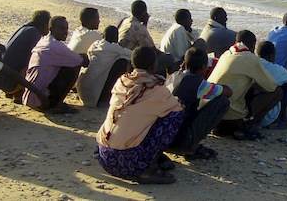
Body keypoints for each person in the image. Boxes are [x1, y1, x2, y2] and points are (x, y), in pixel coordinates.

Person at [96, 47, 184, 184]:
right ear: (153, 66)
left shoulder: (121, 82)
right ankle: (147, 169)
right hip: (127, 162)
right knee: (175, 116)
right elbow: (177, 107)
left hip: (104, 155)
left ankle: (151, 158)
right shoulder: (156, 89)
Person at [208, 30, 281, 140]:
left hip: (212, 112)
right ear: (253, 44)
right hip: (230, 115)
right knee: (277, 92)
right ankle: (251, 124)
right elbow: (271, 86)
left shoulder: (227, 54)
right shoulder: (250, 58)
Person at [165, 47, 231, 160]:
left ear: (184, 63)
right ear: (203, 68)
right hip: (179, 138)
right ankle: (190, 146)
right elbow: (228, 92)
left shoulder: (173, 76)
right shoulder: (197, 83)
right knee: (222, 101)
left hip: (164, 137)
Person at [23, 16, 88, 114]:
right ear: (51, 29)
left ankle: (54, 101)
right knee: (74, 66)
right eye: (61, 28)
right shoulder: (55, 46)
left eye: (66, 28)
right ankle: (56, 104)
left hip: (29, 97)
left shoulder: (43, 40)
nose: (65, 32)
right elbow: (81, 61)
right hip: (40, 100)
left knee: (69, 61)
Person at [2, 10, 51, 103]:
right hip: (10, 83)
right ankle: (19, 94)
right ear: (45, 24)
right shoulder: (34, 33)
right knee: (39, 64)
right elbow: (37, 58)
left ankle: (15, 92)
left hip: (2, 79)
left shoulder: (24, 28)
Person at [76, 26, 131, 107]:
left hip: (82, 90)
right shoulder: (114, 48)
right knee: (123, 62)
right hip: (93, 95)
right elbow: (133, 55)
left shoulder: (95, 44)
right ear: (116, 38)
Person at [118, 0, 176, 75]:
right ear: (144, 13)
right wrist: (165, 54)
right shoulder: (139, 28)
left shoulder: (125, 20)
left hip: (122, 55)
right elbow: (153, 49)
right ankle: (170, 82)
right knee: (169, 58)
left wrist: (145, 23)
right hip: (132, 60)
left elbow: (141, 39)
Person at [255, 41, 287, 129]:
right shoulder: (275, 69)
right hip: (268, 117)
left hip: (250, 111)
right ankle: (282, 114)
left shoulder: (251, 64)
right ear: (271, 55)